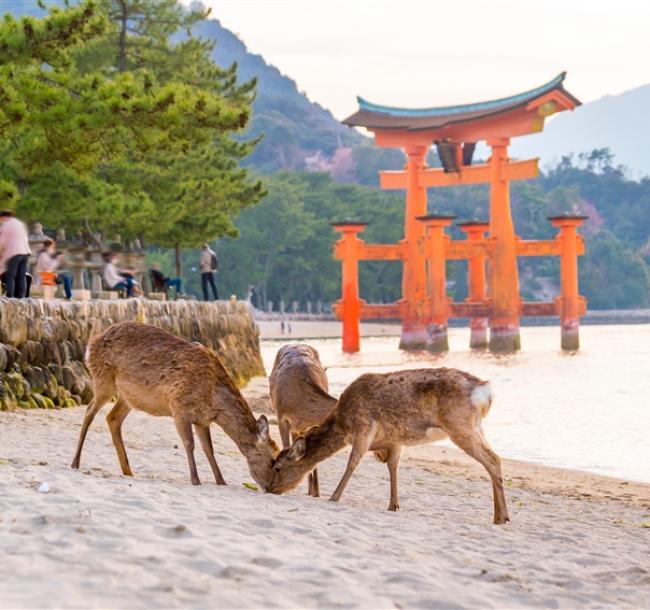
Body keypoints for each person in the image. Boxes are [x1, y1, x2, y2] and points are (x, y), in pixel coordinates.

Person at [0, 209, 31, 298]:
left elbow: (2, 241)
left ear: (3, 217)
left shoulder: (6, 224)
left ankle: (10, 295)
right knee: (22, 275)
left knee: (11, 274)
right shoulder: (20, 224)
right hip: (25, 251)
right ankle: (21, 296)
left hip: (14, 252)